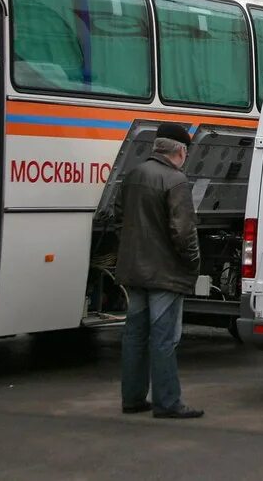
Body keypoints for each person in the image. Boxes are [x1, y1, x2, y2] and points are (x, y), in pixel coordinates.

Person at [115, 123, 203, 419]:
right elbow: (183, 232)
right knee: (165, 338)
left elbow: (118, 216)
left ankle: (133, 398)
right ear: (180, 151)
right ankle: (168, 402)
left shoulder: (134, 175)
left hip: (133, 268)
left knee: (135, 335)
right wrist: (192, 263)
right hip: (165, 273)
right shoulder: (175, 180)